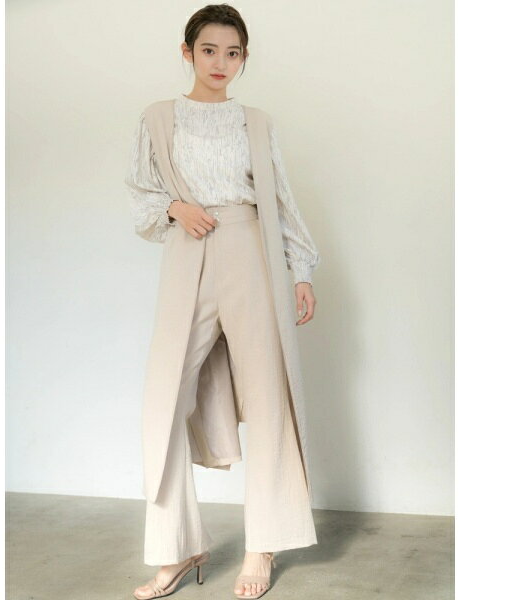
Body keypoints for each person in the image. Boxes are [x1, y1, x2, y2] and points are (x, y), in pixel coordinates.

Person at [125, 4, 320, 599]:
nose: (220, 62)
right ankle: (177, 547)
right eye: (209, 50)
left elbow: (280, 198)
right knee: (164, 399)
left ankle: (263, 544)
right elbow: (141, 193)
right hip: (187, 251)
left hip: (250, 252)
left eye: (232, 53)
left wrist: (301, 269)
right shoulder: (158, 117)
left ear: (243, 59)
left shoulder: (256, 122)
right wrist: (174, 207)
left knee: (267, 397)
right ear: (187, 52)